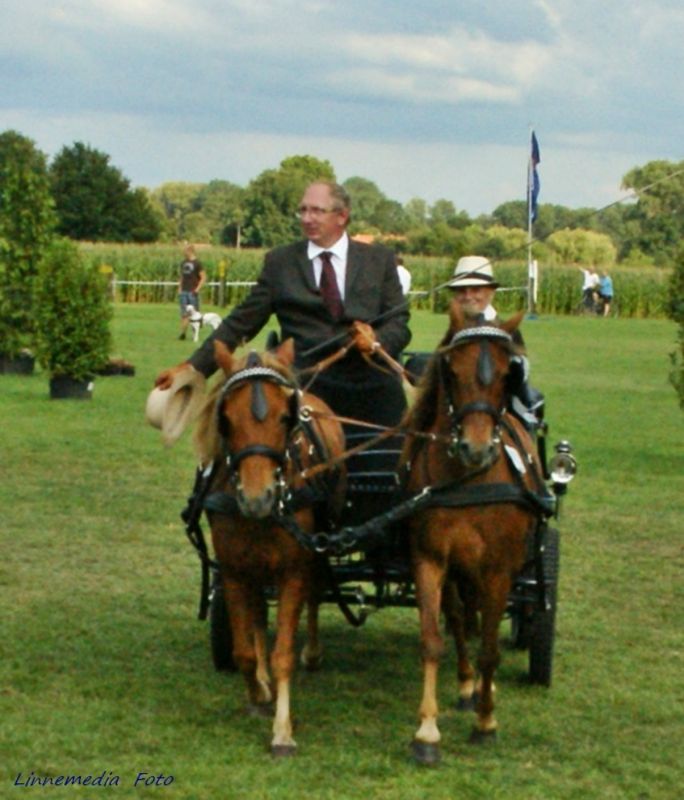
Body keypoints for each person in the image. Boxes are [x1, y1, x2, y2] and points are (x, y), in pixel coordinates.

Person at [155, 181, 410, 431]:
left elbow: (399, 324)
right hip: (304, 390)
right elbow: (240, 322)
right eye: (303, 210)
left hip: (373, 389)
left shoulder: (379, 260)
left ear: (342, 216)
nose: (307, 218)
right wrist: (192, 368)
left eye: (317, 211)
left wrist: (376, 341)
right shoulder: (280, 263)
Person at [448, 255, 542, 431]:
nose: (468, 296)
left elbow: (519, 379)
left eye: (476, 290)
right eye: (461, 291)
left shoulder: (508, 332)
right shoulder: (453, 331)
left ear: (490, 292)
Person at [178, 245, 206, 340]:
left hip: (192, 292)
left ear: (190, 251)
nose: (183, 253)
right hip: (184, 291)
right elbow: (182, 276)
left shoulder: (197, 263)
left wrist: (197, 289)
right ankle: (183, 333)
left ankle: (195, 334)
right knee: (184, 313)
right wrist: (180, 288)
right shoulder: (183, 263)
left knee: (194, 314)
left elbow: (203, 277)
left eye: (185, 251)